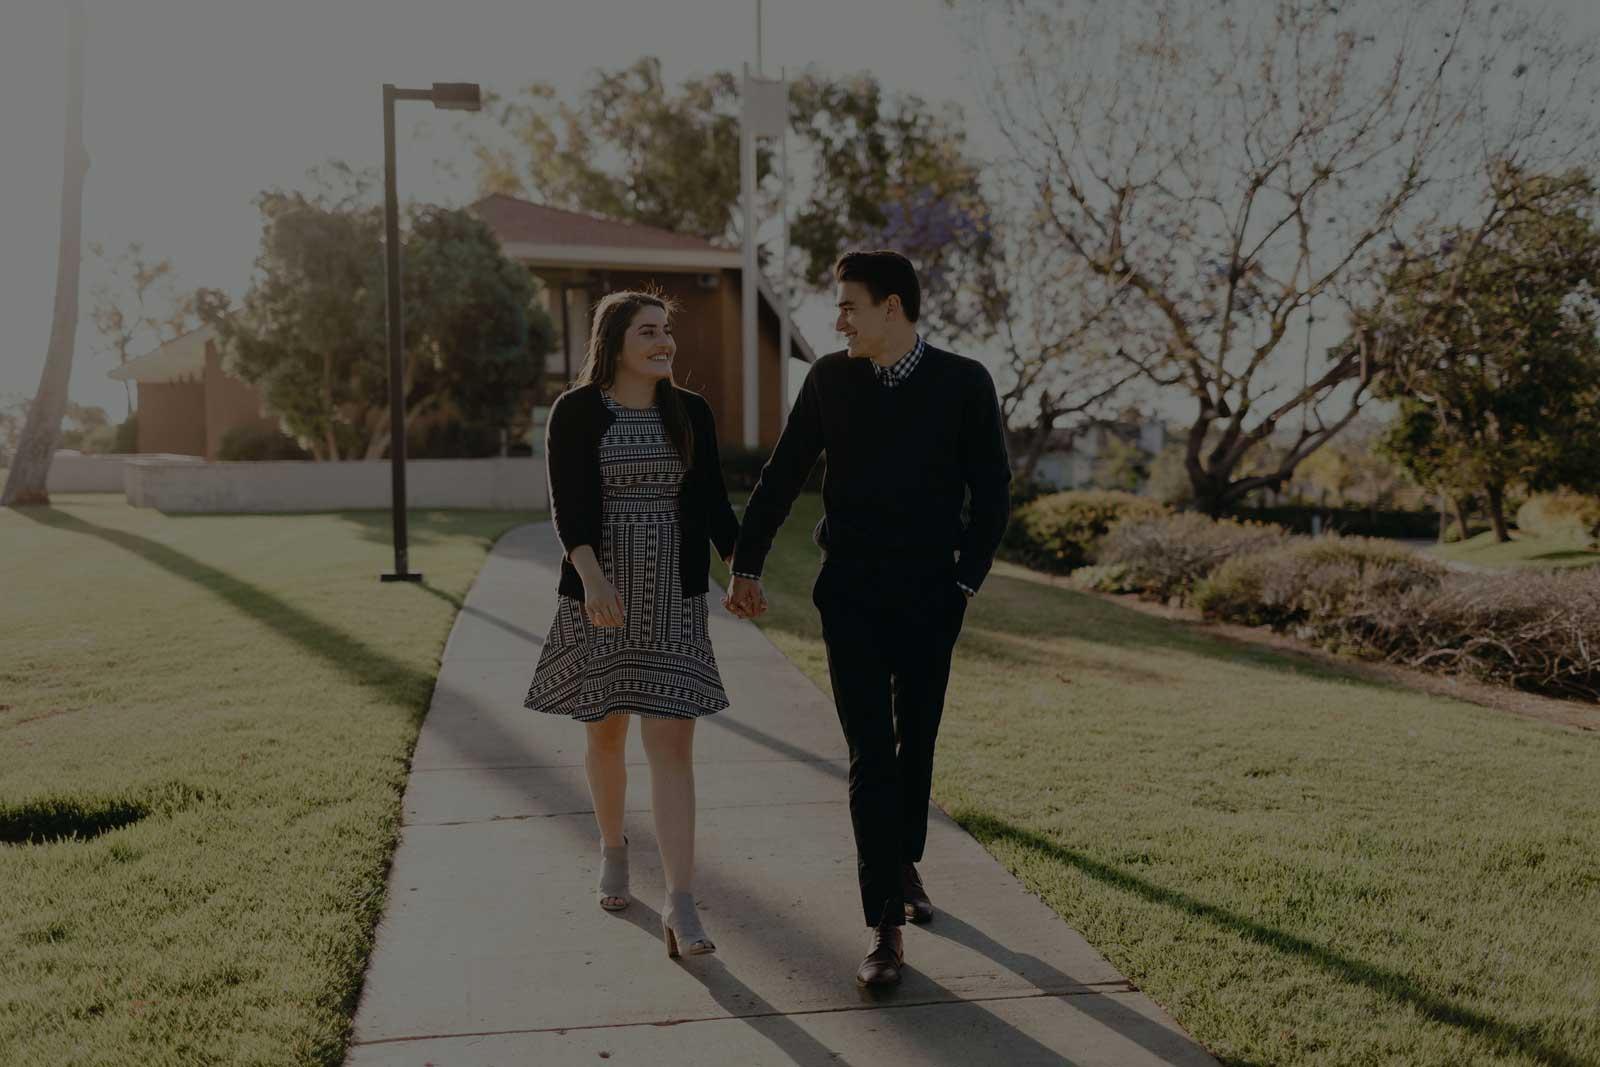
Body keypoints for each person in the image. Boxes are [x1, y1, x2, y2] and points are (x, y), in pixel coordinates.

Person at [723, 250, 1012, 987]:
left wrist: (964, 584)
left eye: (849, 305)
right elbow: (784, 472)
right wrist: (746, 562)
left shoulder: (963, 382)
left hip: (930, 594)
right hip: (848, 591)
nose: (838, 319)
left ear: (893, 307)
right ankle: (883, 922)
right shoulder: (829, 380)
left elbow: (994, 492)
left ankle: (904, 859)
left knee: (917, 740)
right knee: (870, 753)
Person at [524, 289, 740, 960]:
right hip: (601, 592)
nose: (663, 341)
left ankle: (681, 900)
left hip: (673, 597)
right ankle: (613, 847)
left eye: (666, 331)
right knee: (607, 737)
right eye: (649, 330)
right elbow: (568, 503)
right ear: (615, 338)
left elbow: (709, 501)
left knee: (673, 747)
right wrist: (592, 578)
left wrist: (741, 565)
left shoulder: (691, 412)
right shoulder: (578, 410)